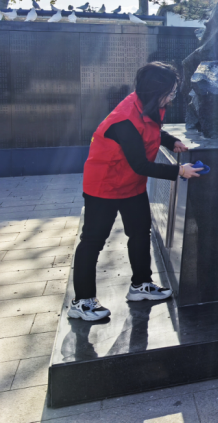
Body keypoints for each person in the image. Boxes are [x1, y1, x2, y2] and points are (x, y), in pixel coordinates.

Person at [72, 62, 202, 322]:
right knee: (93, 241)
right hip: (104, 186)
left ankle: (141, 285)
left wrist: (171, 141)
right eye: (170, 92)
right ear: (155, 91)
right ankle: (82, 302)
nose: (172, 97)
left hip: (130, 184)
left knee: (140, 233)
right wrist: (179, 171)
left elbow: (153, 130)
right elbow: (140, 164)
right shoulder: (124, 119)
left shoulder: (149, 105)